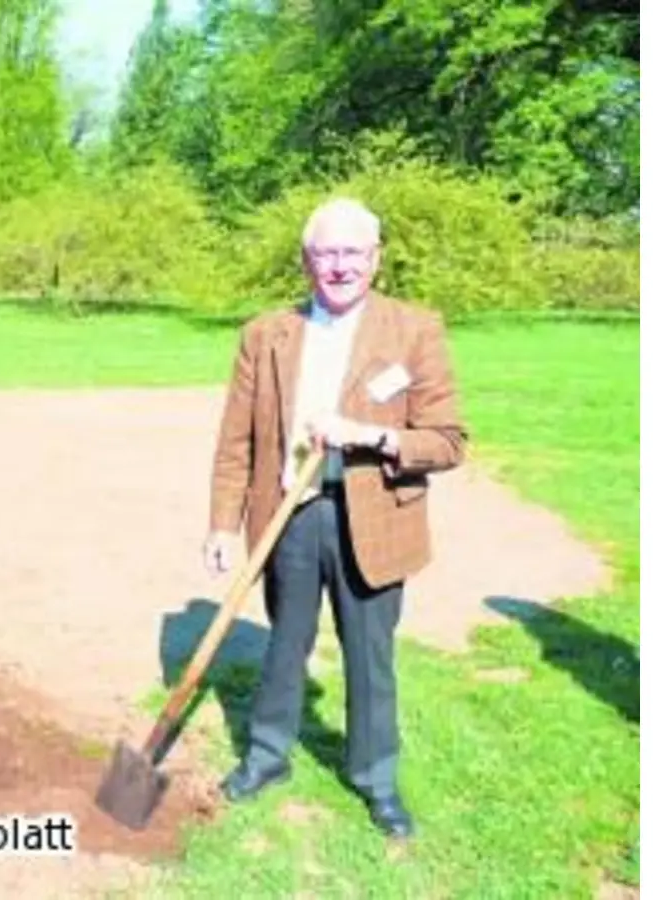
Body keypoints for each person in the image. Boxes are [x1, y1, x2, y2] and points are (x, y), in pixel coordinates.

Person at [202, 198, 467, 839]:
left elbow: (448, 440)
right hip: (288, 515)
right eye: (326, 253)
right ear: (306, 260)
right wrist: (220, 522)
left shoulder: (414, 330)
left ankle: (376, 780)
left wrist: (371, 437)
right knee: (283, 645)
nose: (339, 266)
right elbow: (237, 437)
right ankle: (267, 757)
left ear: (375, 258)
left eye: (352, 253)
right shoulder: (265, 334)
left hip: (374, 519)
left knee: (370, 658)